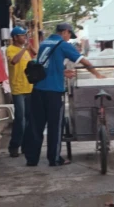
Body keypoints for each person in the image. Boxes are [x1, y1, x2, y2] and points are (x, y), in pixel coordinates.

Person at [24, 23, 103, 167]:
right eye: (69, 35)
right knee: (55, 126)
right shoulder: (62, 44)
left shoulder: (44, 43)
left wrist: (62, 72)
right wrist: (97, 74)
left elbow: (47, 67)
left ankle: (31, 159)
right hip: (54, 92)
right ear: (65, 32)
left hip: (38, 89)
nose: (69, 39)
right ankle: (54, 159)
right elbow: (83, 61)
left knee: (36, 125)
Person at [6, 26, 36, 158]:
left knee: (29, 119)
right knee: (20, 119)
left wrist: (29, 48)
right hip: (18, 89)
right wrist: (24, 49)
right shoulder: (10, 49)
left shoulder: (26, 51)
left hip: (29, 88)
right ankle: (14, 146)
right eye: (22, 35)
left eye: (25, 35)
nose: (24, 37)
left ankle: (25, 145)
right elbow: (14, 61)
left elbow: (34, 55)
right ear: (15, 37)